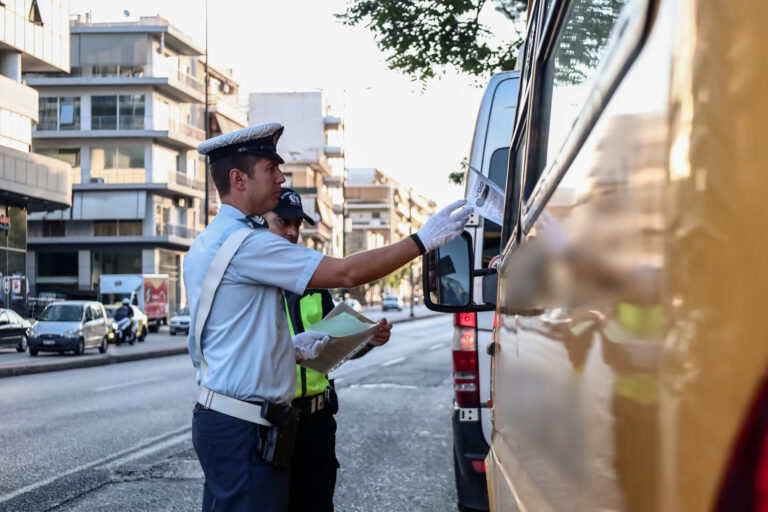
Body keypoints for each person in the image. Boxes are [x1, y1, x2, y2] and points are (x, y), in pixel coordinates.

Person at [184, 122, 472, 512]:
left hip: (226, 421)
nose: (281, 177)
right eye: (270, 169)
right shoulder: (248, 244)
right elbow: (346, 273)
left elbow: (231, 337)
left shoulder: (209, 241)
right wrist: (423, 240)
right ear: (238, 178)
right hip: (244, 428)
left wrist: (289, 348)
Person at [263, 188, 393, 512]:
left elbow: (333, 351)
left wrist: (367, 341)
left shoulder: (314, 282)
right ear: (261, 221)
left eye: (297, 224)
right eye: (283, 222)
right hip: (270, 419)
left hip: (317, 422)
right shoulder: (251, 281)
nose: (293, 231)